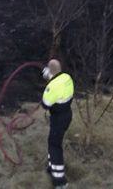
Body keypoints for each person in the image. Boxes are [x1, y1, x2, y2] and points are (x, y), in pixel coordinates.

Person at [41, 59, 74, 188]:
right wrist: (50, 75)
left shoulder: (52, 87)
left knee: (55, 146)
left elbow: (45, 104)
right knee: (52, 142)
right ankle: (52, 167)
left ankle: (60, 181)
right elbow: (57, 78)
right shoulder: (67, 77)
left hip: (58, 119)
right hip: (67, 115)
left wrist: (48, 79)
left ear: (50, 71)